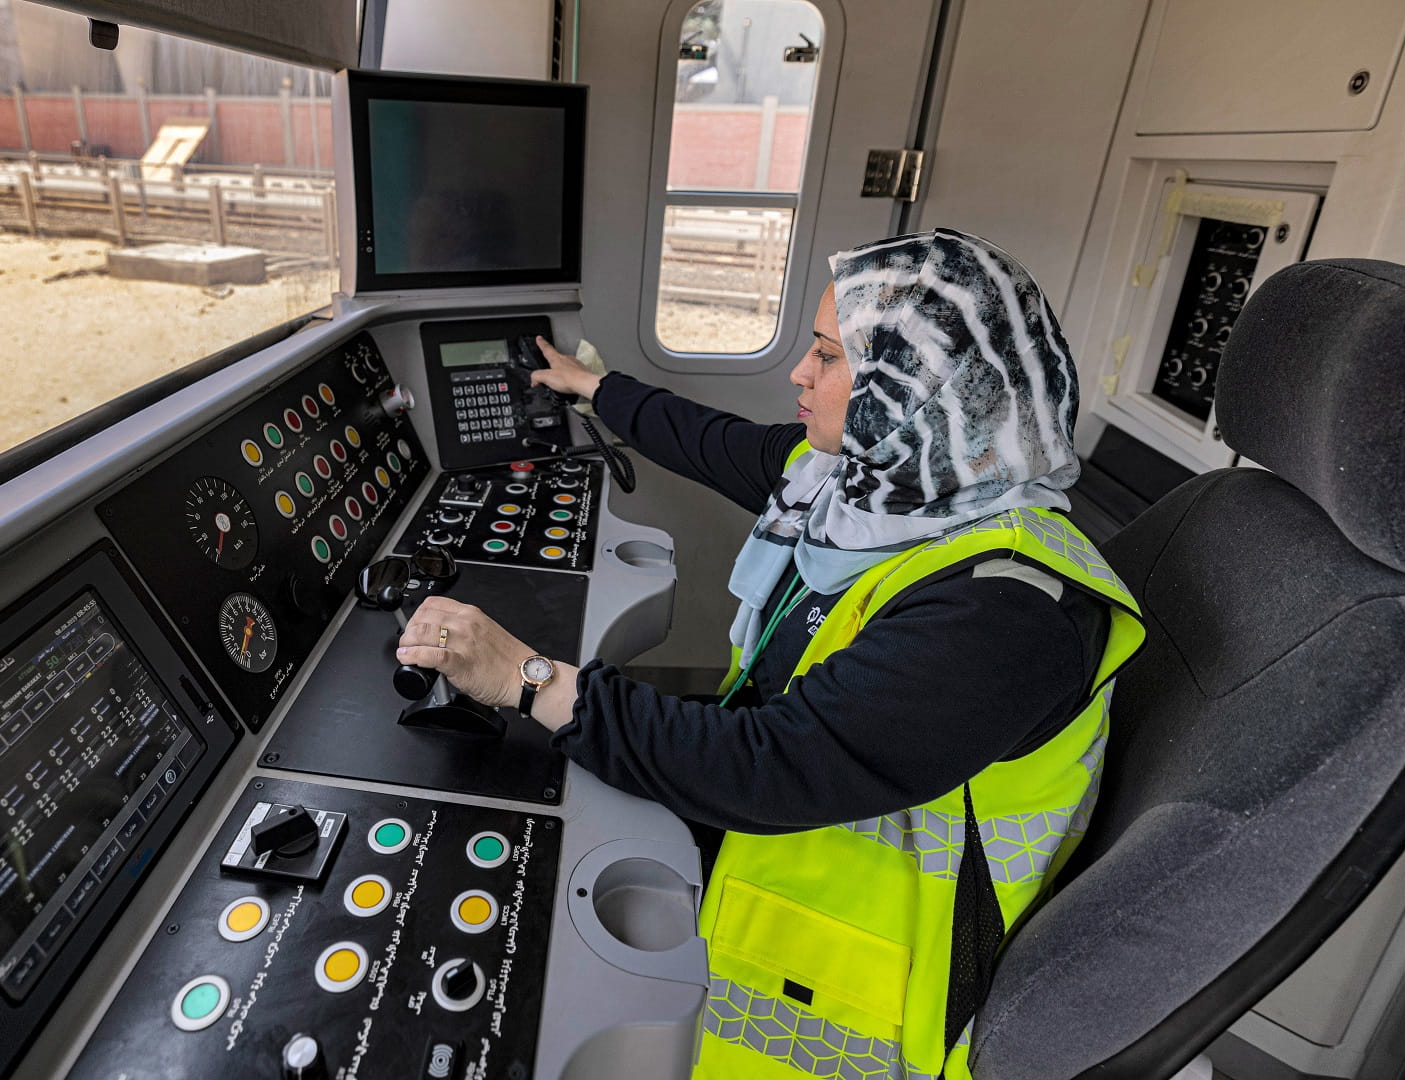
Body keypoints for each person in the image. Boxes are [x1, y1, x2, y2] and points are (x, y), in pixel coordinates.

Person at [395, 229, 1146, 1079]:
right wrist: (598, 389)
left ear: (916, 391)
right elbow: (723, 444)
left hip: (848, 993)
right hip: (769, 859)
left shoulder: (1006, 610)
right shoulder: (874, 484)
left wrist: (524, 677)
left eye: (827, 356)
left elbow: (771, 766)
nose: (800, 373)